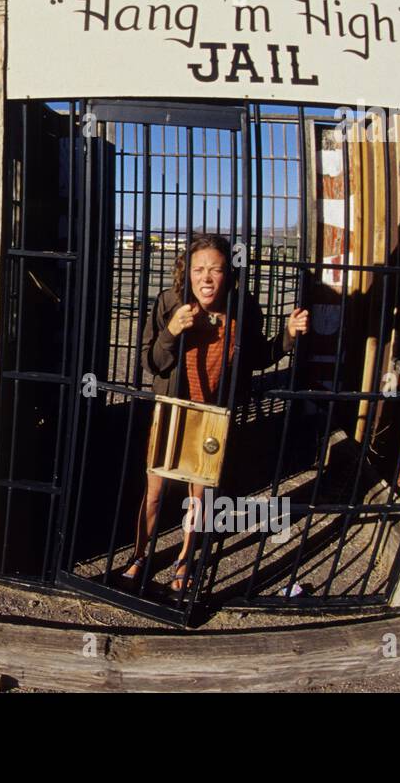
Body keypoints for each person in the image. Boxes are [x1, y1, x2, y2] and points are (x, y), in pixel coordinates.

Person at [120, 234, 309, 592]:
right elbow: (150, 364)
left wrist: (288, 336)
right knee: (156, 491)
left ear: (229, 274)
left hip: (213, 417)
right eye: (199, 269)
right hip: (173, 410)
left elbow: (256, 358)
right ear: (187, 273)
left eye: (216, 270)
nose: (206, 278)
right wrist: (172, 331)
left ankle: (184, 559)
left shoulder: (243, 307)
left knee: (200, 496)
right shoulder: (170, 302)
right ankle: (140, 554)